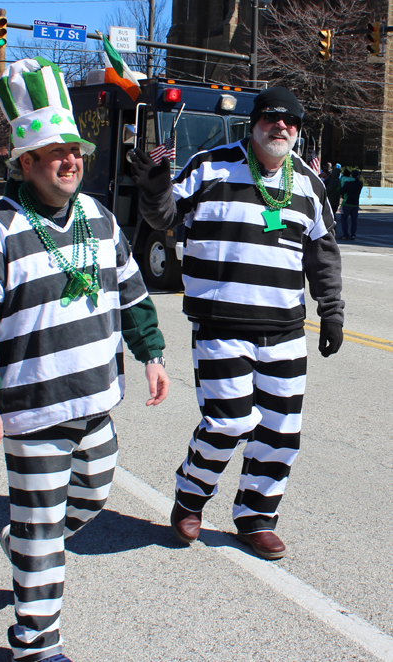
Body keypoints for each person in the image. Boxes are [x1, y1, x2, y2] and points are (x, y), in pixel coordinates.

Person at [0, 57, 169, 662]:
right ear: (26, 163)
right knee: (45, 533)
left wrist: (151, 353)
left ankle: (25, 542)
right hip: (33, 410)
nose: (72, 160)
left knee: (92, 495)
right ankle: (36, 643)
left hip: (96, 402)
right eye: (55, 152)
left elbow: (132, 292)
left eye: (76, 149)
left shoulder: (99, 217)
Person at [130, 86, 344, 560]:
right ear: (255, 122)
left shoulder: (309, 182)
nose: (281, 127)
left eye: (291, 121)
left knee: (281, 430)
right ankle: (190, 498)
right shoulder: (210, 165)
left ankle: (256, 516)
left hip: (285, 329)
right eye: (272, 118)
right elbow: (164, 214)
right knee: (228, 421)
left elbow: (323, 253)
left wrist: (331, 311)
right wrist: (154, 187)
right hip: (220, 323)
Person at [340, 169, 363, 240]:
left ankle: (345, 234)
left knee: (344, 219)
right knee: (354, 221)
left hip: (347, 203)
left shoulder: (348, 183)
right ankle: (353, 234)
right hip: (355, 204)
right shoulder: (360, 183)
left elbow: (342, 191)